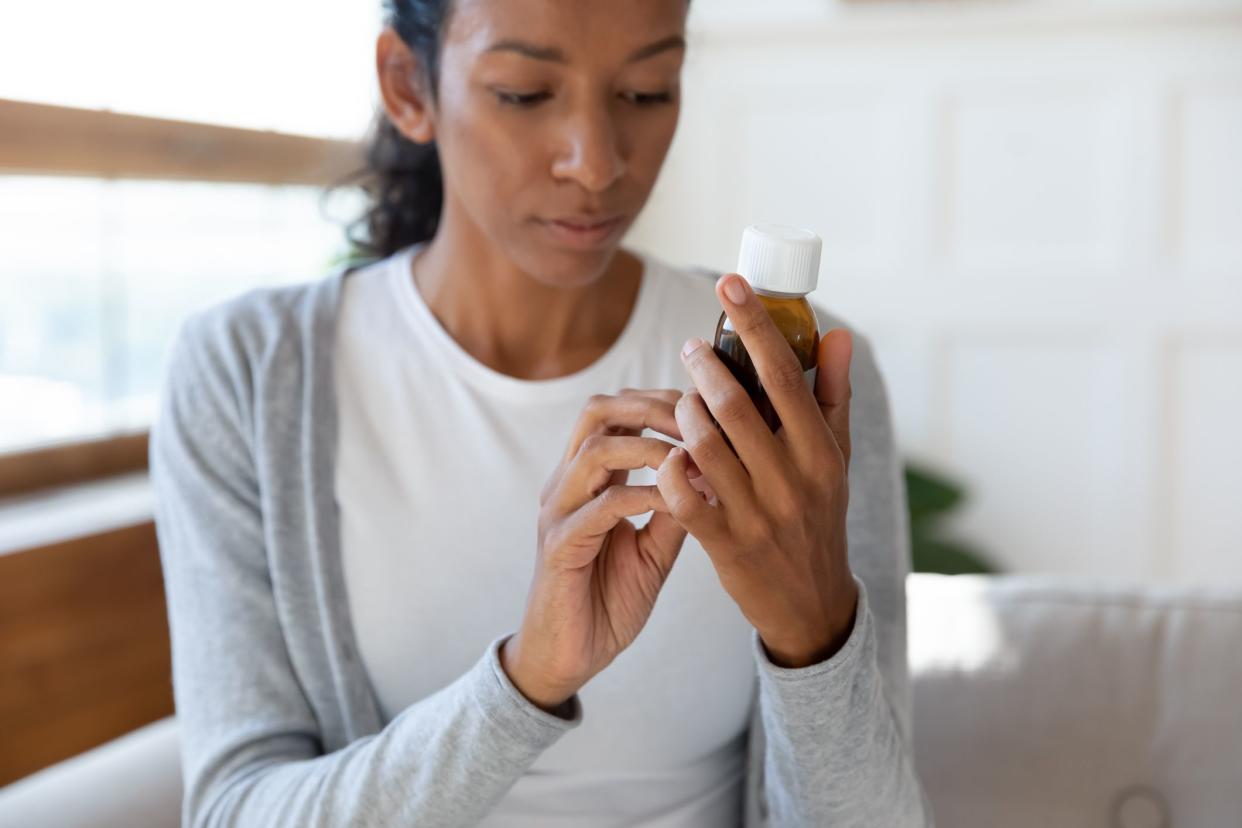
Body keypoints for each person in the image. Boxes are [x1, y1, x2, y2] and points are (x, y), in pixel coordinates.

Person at [150, 0, 934, 825]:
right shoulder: (247, 370)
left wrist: (812, 634)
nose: (596, 164)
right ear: (408, 85)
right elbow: (236, 811)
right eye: (525, 93)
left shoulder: (798, 375)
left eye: (646, 90)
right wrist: (526, 682)